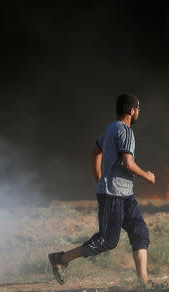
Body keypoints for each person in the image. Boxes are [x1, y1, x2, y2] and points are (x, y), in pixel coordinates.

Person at [48, 94, 155, 285]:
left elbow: (95, 151)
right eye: (138, 109)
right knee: (107, 241)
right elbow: (128, 163)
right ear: (131, 111)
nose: (138, 112)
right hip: (113, 194)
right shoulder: (125, 131)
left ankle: (144, 282)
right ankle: (60, 259)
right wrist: (147, 176)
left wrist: (98, 177)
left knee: (140, 232)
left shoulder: (111, 128)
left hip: (125, 193)